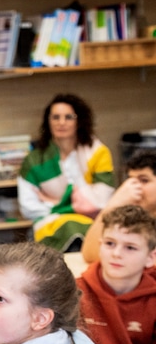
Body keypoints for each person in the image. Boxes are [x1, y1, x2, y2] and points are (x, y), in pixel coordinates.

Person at [17, 94, 115, 251]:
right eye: (55, 117)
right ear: (48, 121)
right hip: (49, 223)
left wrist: (54, 202)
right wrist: (69, 206)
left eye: (68, 117)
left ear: (79, 121)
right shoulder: (34, 160)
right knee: (69, 228)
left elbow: (102, 201)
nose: (61, 123)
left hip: (94, 221)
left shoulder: (98, 152)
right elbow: (28, 208)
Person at [77, 205, 156, 344]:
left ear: (151, 258)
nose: (117, 253)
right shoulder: (74, 293)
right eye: (110, 243)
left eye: (130, 247)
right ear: (100, 246)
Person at [83, 150, 156, 264]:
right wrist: (114, 203)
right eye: (131, 180)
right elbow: (90, 255)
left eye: (144, 180)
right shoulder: (132, 215)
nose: (134, 187)